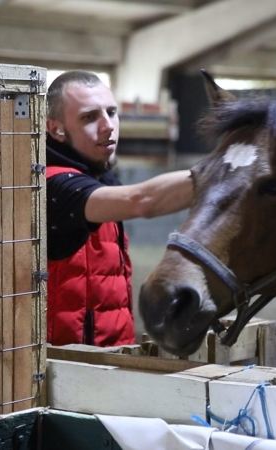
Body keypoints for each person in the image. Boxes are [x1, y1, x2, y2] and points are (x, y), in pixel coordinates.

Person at [45, 70, 193, 347]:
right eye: (89, 117)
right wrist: (224, 172)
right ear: (56, 129)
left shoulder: (100, 176)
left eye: (111, 112)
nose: (108, 125)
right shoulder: (55, 185)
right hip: (68, 362)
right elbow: (141, 201)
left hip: (110, 350)